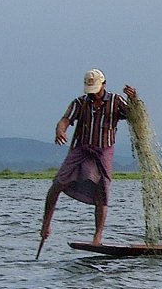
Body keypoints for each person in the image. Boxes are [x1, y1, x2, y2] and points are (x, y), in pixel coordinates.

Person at [40, 69, 138, 246]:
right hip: (82, 149)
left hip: (104, 150)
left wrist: (133, 100)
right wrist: (60, 130)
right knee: (57, 184)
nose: (94, 95)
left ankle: (97, 236)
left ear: (104, 84)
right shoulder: (80, 103)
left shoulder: (115, 101)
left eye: (96, 90)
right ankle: (45, 226)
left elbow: (134, 116)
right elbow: (65, 120)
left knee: (102, 192)